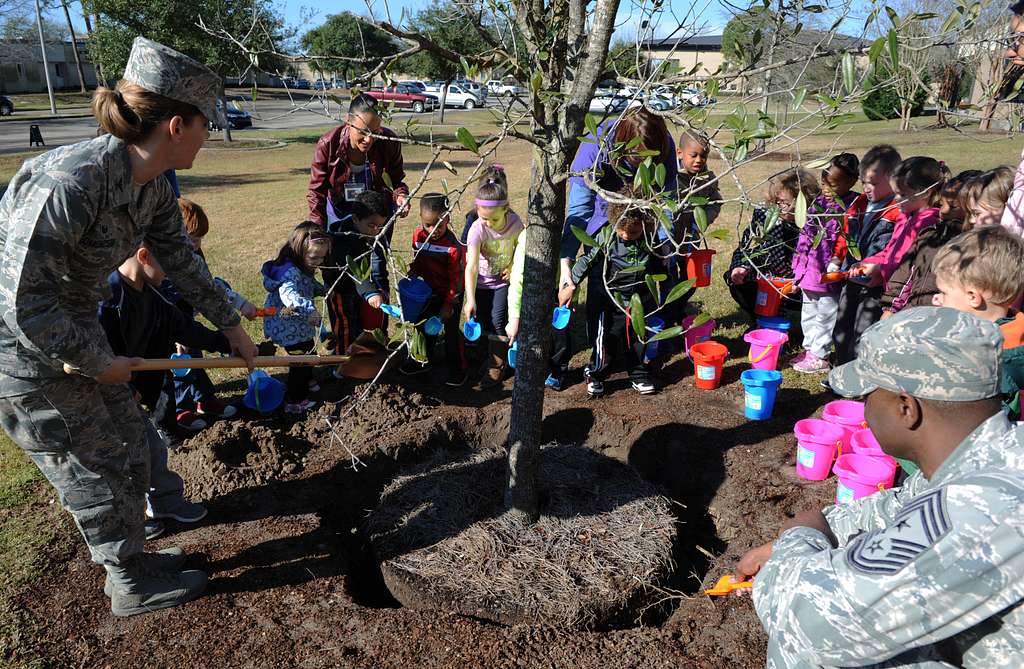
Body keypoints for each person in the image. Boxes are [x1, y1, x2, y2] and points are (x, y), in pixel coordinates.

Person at [0, 37, 257, 617]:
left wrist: (232, 328)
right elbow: (24, 303)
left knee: (132, 446)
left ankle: (136, 558)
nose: (208, 135)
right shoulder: (71, 183)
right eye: (203, 123)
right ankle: (129, 584)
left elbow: (184, 263)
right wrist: (97, 361)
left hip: (77, 338)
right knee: (91, 467)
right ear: (174, 125)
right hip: (24, 357)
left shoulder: (153, 186)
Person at [735, 306, 1024, 668]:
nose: (864, 410)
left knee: (814, 653)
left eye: (867, 395)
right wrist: (805, 533)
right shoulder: (995, 453)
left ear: (906, 408)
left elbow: (810, 618)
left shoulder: (982, 506)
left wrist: (800, 537)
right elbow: (902, 504)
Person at [98, 246, 232, 533]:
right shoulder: (108, 299)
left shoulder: (153, 295)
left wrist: (231, 344)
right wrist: (127, 384)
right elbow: (101, 350)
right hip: (104, 394)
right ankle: (131, 518)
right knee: (123, 458)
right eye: (167, 264)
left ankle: (165, 501)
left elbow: (186, 329)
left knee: (151, 447)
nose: (171, 273)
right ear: (144, 256)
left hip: (130, 391)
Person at [561, 108, 678, 381]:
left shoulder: (665, 143)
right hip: (602, 229)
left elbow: (668, 199)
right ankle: (603, 356)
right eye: (637, 162)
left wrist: (664, 246)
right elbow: (578, 209)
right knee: (602, 299)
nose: (643, 171)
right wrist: (567, 264)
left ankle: (636, 360)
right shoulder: (594, 147)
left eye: (650, 163)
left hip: (644, 229)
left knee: (642, 298)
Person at [559, 194, 667, 397]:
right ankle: (596, 373)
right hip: (611, 297)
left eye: (633, 232)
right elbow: (587, 260)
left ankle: (639, 374)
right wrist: (570, 283)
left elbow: (659, 262)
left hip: (639, 298)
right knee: (606, 338)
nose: (626, 236)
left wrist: (665, 270)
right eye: (622, 231)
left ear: (644, 225)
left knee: (638, 337)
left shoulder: (649, 239)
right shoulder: (607, 235)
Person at [168, 197, 258, 427]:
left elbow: (209, 287)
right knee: (179, 367)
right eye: (192, 239)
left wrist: (240, 303)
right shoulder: (166, 261)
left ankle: (205, 399)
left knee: (195, 360)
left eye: (200, 240)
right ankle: (181, 408)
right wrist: (176, 335)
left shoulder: (194, 256)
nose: (197, 245)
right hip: (169, 324)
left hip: (187, 321)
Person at [932, 225, 1024, 420]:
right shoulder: (1013, 332)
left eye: (943, 293)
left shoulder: (991, 359)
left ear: (973, 297)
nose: (936, 299)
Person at [828, 144, 902, 367]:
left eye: (873, 183)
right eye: (864, 182)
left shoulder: (897, 210)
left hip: (875, 284)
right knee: (842, 328)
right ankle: (840, 369)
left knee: (864, 331)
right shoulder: (859, 204)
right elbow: (846, 234)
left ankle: (858, 374)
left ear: (892, 179)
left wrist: (880, 267)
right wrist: (837, 258)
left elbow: (896, 247)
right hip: (851, 278)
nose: (867, 188)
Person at [790, 156, 859, 373]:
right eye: (824, 181)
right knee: (808, 312)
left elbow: (848, 238)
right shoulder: (818, 203)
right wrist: (798, 266)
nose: (827, 188)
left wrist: (836, 263)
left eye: (834, 183)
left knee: (826, 315)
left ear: (852, 181)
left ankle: (820, 354)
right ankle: (810, 349)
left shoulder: (853, 205)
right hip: (810, 272)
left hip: (828, 275)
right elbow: (805, 235)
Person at [881, 170, 980, 317]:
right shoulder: (929, 236)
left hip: (941, 319)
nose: (943, 211)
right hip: (909, 314)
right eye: (942, 204)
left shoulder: (972, 247)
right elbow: (904, 275)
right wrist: (890, 309)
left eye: (953, 207)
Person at [725, 169, 816, 323]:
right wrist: (740, 266)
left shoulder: (814, 224)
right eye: (776, 201)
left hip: (798, 284)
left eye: (785, 203)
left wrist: (801, 281)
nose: (779, 206)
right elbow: (746, 248)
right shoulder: (765, 216)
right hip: (768, 279)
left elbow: (819, 260)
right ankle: (759, 318)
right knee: (734, 278)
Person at [307, 93, 409, 228]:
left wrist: (401, 196)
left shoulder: (389, 142)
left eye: (375, 132)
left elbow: (396, 181)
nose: (369, 139)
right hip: (340, 214)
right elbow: (316, 192)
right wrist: (317, 229)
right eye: (362, 131)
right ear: (348, 122)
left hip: (376, 219)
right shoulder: (329, 144)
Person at [463, 166, 524, 388]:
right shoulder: (477, 229)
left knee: (499, 320)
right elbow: (470, 266)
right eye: (483, 218)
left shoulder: (516, 224)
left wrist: (512, 266)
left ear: (506, 209)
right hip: (480, 283)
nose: (487, 224)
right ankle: (483, 360)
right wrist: (470, 299)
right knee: (482, 320)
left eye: (493, 220)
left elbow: (521, 248)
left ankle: (498, 365)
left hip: (501, 283)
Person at [262, 222, 331, 414]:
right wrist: (310, 310)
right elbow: (290, 296)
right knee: (300, 361)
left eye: (322, 257)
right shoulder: (290, 272)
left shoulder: (301, 266)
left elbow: (307, 284)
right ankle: (295, 399)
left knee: (307, 349)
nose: (318, 261)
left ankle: (307, 379)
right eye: (314, 257)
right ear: (299, 251)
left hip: (296, 323)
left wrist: (322, 290)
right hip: (286, 323)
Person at [401, 193, 468, 385]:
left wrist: (448, 303)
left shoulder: (453, 247)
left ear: (447, 218)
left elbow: (457, 278)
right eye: (428, 224)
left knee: (451, 333)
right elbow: (418, 261)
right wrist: (412, 272)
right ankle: (423, 361)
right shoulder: (418, 236)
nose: (433, 230)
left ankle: (458, 369)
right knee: (424, 327)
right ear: (421, 218)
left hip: (451, 293)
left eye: (439, 224)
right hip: (428, 292)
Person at [848, 156, 944, 289]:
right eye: (895, 193)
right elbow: (890, 251)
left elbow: (908, 265)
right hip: (890, 289)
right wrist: (868, 263)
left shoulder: (928, 224)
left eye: (903, 195)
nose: (897, 199)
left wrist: (880, 268)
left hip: (904, 294)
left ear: (924, 193)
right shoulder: (905, 216)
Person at [322, 190, 392, 370]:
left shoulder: (366, 233)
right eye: (372, 225)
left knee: (356, 324)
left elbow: (369, 267)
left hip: (356, 288)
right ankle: (341, 364)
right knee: (344, 326)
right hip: (339, 289)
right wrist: (369, 292)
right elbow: (354, 273)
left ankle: (357, 356)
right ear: (355, 219)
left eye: (381, 227)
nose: (376, 231)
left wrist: (374, 289)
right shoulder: (343, 241)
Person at [668, 129, 723, 323]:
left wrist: (701, 221)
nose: (699, 160)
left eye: (704, 155)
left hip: (690, 239)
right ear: (679, 153)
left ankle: (678, 309)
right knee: (668, 280)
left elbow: (715, 202)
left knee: (691, 280)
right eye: (694, 155)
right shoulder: (670, 176)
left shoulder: (707, 178)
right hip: (667, 240)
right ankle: (667, 314)